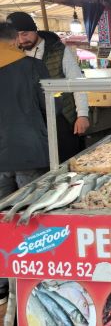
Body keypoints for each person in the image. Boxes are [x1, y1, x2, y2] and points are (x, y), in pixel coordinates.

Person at [0, 22, 50, 304]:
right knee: (30, 218)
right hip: (30, 151)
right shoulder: (32, 67)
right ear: (13, 41)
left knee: (0, 221)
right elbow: (49, 108)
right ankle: (33, 282)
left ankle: (3, 285)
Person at [7, 11, 89, 162]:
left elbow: (77, 82)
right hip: (32, 122)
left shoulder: (58, 50)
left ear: (34, 30)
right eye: (17, 35)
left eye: (25, 34)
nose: (21, 39)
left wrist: (82, 114)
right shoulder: (14, 54)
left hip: (62, 117)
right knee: (41, 165)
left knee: (68, 161)